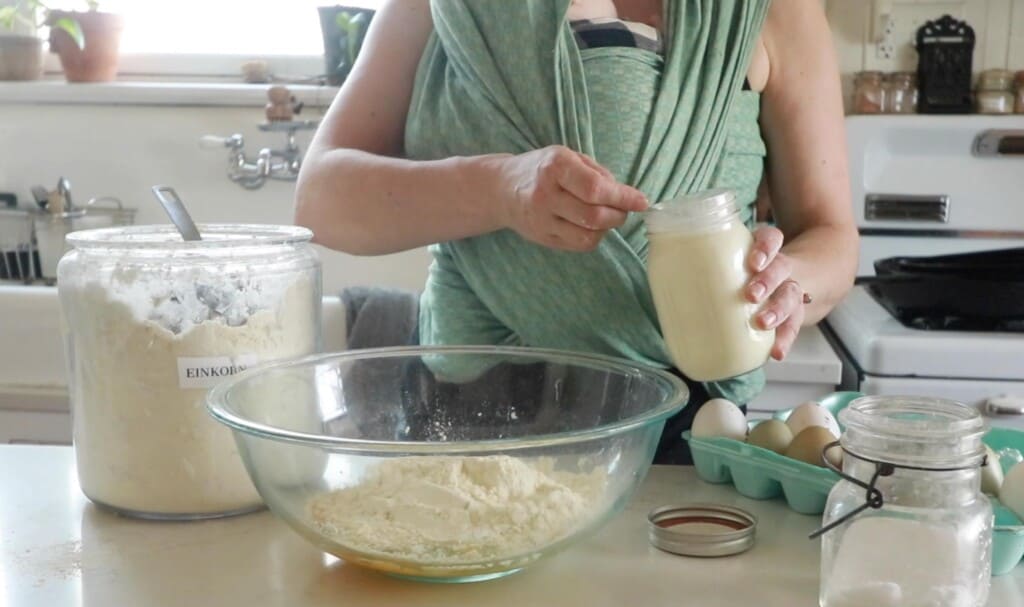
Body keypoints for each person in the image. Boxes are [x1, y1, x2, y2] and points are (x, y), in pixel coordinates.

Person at [295, 0, 859, 463]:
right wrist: (502, 188)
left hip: (689, 435)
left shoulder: (776, 10)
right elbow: (322, 198)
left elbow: (829, 236)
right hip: (472, 421)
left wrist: (791, 283)